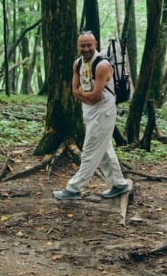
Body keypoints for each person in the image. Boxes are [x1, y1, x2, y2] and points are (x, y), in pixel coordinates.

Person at [53, 31, 130, 201]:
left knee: (89, 151)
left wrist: (83, 95)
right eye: (83, 45)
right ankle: (119, 184)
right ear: (77, 46)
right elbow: (74, 90)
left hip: (103, 112)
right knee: (104, 149)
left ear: (95, 44)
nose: (86, 49)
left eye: (89, 45)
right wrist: (84, 96)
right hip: (89, 112)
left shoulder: (102, 66)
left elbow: (95, 96)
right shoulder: (77, 64)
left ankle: (73, 188)